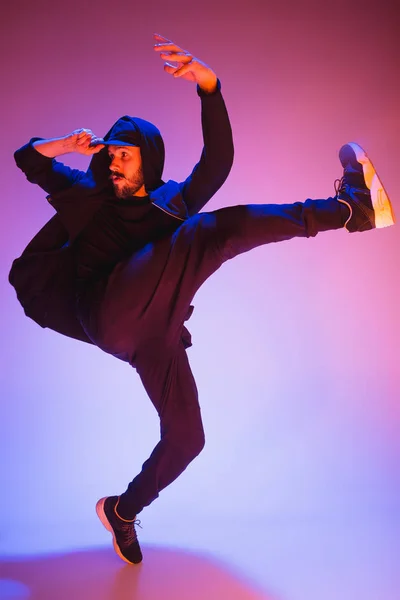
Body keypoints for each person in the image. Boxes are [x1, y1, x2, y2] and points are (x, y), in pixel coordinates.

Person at [9, 34, 395, 566]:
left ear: (150, 161)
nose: (116, 162)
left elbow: (217, 163)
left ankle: (121, 510)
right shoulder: (88, 196)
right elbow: (26, 158)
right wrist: (66, 146)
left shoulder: (171, 203)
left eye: (127, 154)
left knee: (188, 436)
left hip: (154, 331)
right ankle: (349, 210)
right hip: (107, 311)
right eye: (111, 153)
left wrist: (209, 89)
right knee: (207, 232)